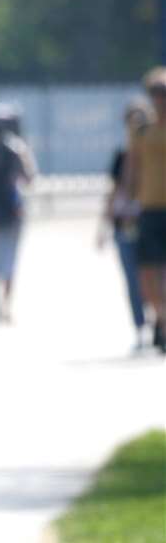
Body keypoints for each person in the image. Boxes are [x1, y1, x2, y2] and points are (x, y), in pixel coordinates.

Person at [0, 106, 37, 323]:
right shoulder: (16, 149)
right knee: (10, 257)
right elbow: (29, 177)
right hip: (13, 209)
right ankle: (6, 302)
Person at [122, 68, 166, 352]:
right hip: (149, 206)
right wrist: (126, 201)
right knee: (146, 270)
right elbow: (131, 167)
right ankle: (160, 318)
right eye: (156, 94)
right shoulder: (142, 129)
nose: (160, 99)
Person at [102, 101, 151, 351]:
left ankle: (158, 322)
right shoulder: (121, 156)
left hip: (150, 220)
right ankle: (140, 326)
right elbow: (112, 192)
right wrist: (103, 227)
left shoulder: (156, 152)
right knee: (133, 279)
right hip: (125, 224)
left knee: (153, 276)